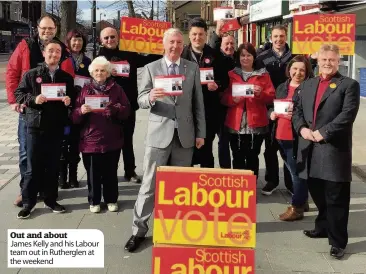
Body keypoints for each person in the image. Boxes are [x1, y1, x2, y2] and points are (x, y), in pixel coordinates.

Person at [124, 28, 206, 252]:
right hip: (158, 135)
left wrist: (201, 133)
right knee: (149, 185)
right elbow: (140, 98)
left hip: (185, 136)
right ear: (164, 44)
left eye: (179, 43)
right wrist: (149, 97)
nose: (175, 46)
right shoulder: (151, 68)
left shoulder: (192, 68)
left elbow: (198, 104)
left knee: (180, 187)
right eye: (171, 42)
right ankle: (138, 231)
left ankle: (175, 229)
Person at [292, 44, 360, 259]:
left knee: (336, 198)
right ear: (317, 61)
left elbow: (347, 115)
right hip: (309, 149)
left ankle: (338, 241)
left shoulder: (349, 85)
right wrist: (302, 128)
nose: (327, 63)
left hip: (332, 150)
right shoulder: (308, 84)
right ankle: (322, 227)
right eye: (324, 60)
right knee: (318, 193)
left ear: (338, 60)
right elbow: (298, 111)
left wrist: (324, 132)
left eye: (332, 59)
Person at [6, 15, 74, 207]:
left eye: (51, 29)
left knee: (50, 154)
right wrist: (14, 101)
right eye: (44, 28)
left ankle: (46, 190)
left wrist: (69, 99)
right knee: (27, 153)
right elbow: (12, 72)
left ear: (56, 29)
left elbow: (69, 78)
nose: (47, 32)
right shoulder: (25, 46)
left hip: (53, 114)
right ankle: (26, 191)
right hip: (29, 109)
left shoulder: (63, 50)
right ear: (37, 28)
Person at [97, 27, 160, 184]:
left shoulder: (129, 53)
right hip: (107, 106)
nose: (110, 40)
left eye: (112, 37)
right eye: (106, 38)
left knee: (127, 139)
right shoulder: (99, 58)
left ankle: (129, 171)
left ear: (118, 38)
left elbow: (146, 60)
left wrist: (159, 48)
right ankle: (108, 172)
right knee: (108, 140)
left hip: (128, 104)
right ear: (101, 40)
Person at [72, 56, 130, 213]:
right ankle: (94, 200)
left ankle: (111, 199)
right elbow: (74, 117)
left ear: (108, 72)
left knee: (111, 172)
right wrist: (80, 111)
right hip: (91, 139)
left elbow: (127, 110)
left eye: (103, 70)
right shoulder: (85, 90)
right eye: (96, 70)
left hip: (111, 137)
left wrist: (116, 109)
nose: (99, 73)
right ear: (91, 72)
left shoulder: (117, 89)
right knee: (93, 174)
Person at [269, 55, 313, 221]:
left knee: (297, 173)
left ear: (307, 71)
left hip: (297, 137)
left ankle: (297, 207)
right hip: (280, 136)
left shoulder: (309, 88)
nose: (298, 72)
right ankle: (304, 201)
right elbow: (270, 106)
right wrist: (271, 113)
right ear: (289, 70)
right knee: (291, 169)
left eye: (302, 69)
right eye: (295, 69)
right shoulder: (282, 86)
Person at [221, 43, 275, 176]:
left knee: (252, 157)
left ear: (254, 57)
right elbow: (222, 97)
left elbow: (271, 97)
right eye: (242, 55)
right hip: (235, 123)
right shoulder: (230, 74)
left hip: (256, 123)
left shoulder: (263, 75)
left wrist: (260, 93)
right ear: (238, 57)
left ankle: (251, 189)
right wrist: (232, 99)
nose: (245, 58)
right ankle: (239, 189)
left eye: (249, 55)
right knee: (237, 156)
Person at [255, 25, 294, 196]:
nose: (279, 39)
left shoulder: (295, 57)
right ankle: (272, 180)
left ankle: (291, 182)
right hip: (269, 107)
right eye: (276, 36)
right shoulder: (262, 57)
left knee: (289, 147)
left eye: (282, 36)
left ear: (286, 37)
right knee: (270, 147)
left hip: (290, 107)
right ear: (271, 37)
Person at [181, 18, 219, 168]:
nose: (198, 38)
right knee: (186, 150)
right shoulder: (181, 54)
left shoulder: (215, 55)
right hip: (187, 110)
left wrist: (218, 85)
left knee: (206, 150)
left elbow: (224, 78)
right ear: (189, 35)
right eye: (194, 34)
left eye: (201, 34)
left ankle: (206, 185)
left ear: (206, 35)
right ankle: (188, 186)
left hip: (208, 110)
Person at [59, 29, 92, 189]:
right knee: (62, 145)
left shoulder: (87, 61)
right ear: (69, 42)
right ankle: (62, 178)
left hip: (80, 109)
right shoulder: (62, 59)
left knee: (75, 145)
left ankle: (73, 176)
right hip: (63, 107)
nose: (77, 43)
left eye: (79, 40)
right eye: (74, 40)